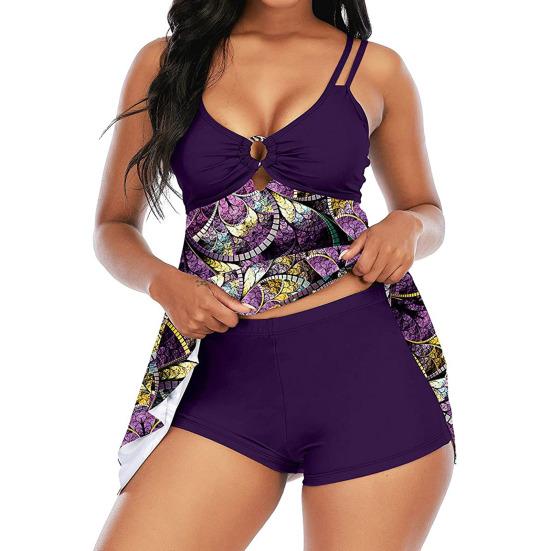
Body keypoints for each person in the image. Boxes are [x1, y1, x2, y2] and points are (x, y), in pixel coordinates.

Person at [93, 1, 456, 549]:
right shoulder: (166, 61)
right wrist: (161, 282)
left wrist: (407, 226)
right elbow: (113, 226)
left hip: (369, 382)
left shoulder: (377, 68)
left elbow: (427, 211)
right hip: (226, 382)